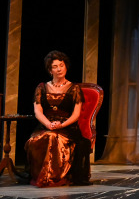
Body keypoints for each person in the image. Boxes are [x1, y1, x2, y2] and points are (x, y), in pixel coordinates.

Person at [24, 50, 91, 187]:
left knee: (53, 138)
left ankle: (54, 177)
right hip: (45, 125)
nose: (59, 69)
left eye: (61, 65)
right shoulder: (41, 87)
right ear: (50, 70)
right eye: (55, 66)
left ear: (66, 66)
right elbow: (38, 112)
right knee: (38, 139)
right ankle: (40, 175)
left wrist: (61, 125)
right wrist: (49, 125)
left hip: (68, 128)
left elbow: (76, 114)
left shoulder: (74, 88)